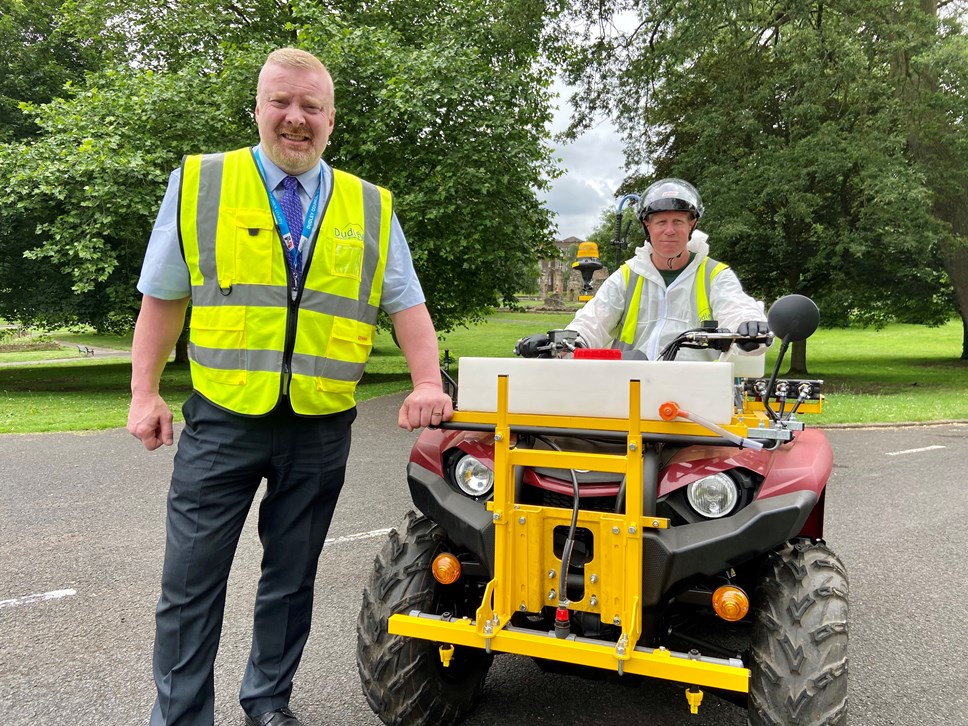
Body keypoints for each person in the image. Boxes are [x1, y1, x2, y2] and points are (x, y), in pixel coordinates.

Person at [126, 48, 452, 726]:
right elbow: (162, 296)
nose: (295, 119)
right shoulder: (201, 183)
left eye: (311, 107)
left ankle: (267, 702)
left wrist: (427, 380)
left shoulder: (370, 205)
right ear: (258, 108)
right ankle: (183, 717)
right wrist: (144, 394)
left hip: (321, 425)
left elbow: (407, 303)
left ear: (332, 121)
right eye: (281, 102)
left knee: (289, 580)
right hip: (222, 419)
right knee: (189, 583)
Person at [518, 178, 768, 361]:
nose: (669, 230)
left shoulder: (716, 275)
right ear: (647, 226)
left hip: (697, 397)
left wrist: (748, 327)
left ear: (692, 225)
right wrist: (559, 344)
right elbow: (592, 321)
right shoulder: (628, 276)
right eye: (661, 222)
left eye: (678, 221)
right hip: (631, 393)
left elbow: (737, 308)